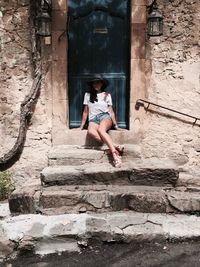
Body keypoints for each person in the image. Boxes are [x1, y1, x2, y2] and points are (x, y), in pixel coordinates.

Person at [76, 75, 124, 168]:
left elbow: (111, 111)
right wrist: (81, 126)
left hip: (105, 117)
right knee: (90, 132)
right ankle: (115, 146)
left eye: (98, 82)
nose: (96, 84)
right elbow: (85, 112)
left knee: (101, 131)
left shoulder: (107, 95)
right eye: (94, 82)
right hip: (93, 119)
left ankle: (115, 156)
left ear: (102, 84)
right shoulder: (87, 95)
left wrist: (116, 126)